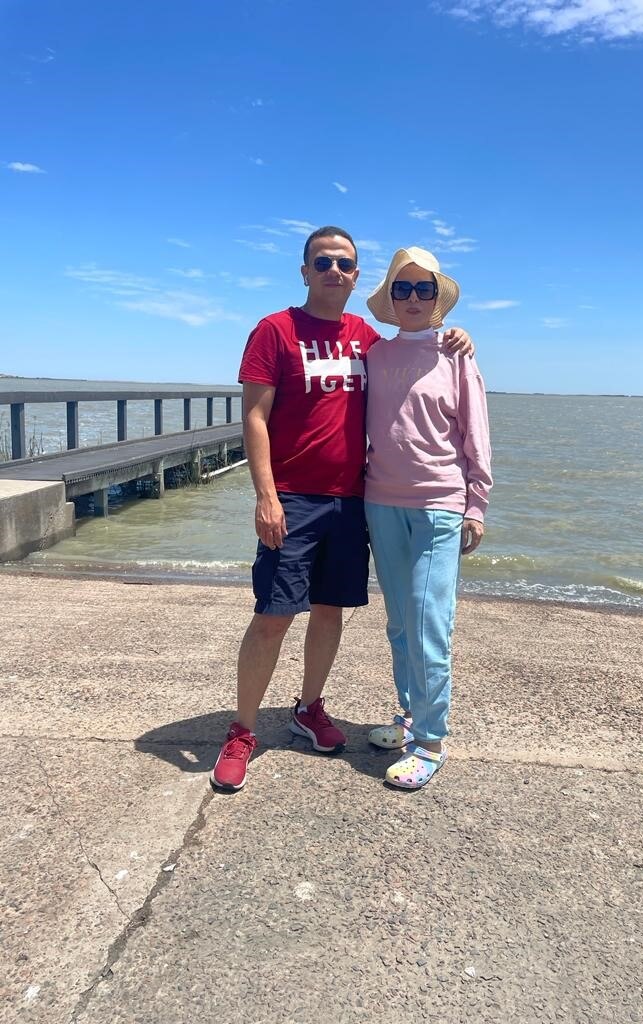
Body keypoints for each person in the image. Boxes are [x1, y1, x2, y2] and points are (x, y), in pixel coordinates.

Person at [211, 227, 473, 791]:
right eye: (323, 262)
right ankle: (243, 730)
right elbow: (253, 417)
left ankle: (309, 709)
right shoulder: (274, 331)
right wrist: (265, 495)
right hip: (294, 499)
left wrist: (459, 337)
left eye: (346, 264)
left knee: (331, 613)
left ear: (358, 277)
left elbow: (420, 348)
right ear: (304, 271)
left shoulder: (365, 339)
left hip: (355, 500)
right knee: (273, 616)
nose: (335, 271)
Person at [364, 247, 492, 789]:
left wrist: (477, 504)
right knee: (399, 622)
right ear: (390, 297)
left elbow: (475, 433)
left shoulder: (458, 353)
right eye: (402, 288)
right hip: (380, 502)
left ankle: (432, 740)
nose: (413, 298)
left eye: (423, 289)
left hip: (439, 503)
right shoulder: (373, 354)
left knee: (427, 623)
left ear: (437, 297)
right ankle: (410, 714)